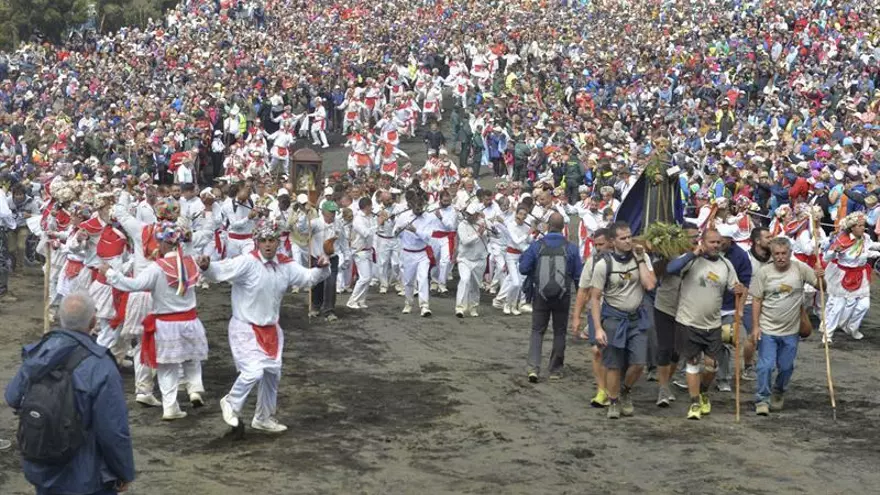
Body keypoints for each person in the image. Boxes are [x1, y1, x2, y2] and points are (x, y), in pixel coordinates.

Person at [200, 220, 330, 432]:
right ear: (256, 242)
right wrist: (207, 266)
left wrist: (322, 268)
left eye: (272, 240)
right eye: (263, 241)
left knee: (272, 375)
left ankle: (263, 417)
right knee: (253, 371)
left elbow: (307, 278)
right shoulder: (246, 262)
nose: (268, 245)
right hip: (245, 327)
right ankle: (231, 402)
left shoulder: (285, 265)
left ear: (278, 242)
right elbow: (220, 271)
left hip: (271, 329)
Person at [5, 292, 135, 495]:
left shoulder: (39, 352)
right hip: (85, 475)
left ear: (60, 319)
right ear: (93, 322)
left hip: (41, 465)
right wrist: (124, 472)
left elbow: (12, 396)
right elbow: (113, 431)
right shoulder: (101, 367)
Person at [100, 222, 208, 421]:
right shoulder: (191, 262)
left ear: (165, 245)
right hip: (190, 320)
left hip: (166, 325)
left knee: (168, 367)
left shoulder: (157, 268)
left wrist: (109, 274)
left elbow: (134, 285)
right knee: (192, 358)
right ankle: (195, 387)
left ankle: (170, 406)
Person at [666, 229, 745, 420]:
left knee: (712, 366)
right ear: (703, 242)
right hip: (688, 321)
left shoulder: (726, 265)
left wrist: (739, 291)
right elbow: (671, 269)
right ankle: (694, 403)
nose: (716, 245)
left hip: (713, 324)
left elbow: (736, 288)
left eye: (719, 242)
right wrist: (692, 254)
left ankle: (702, 392)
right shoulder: (691, 259)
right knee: (692, 362)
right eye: (712, 242)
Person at [589, 222, 656, 419]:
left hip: (637, 318)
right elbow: (594, 297)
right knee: (613, 364)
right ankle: (614, 400)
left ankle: (626, 391)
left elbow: (650, 284)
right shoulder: (604, 264)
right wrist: (598, 328)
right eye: (623, 238)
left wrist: (641, 259)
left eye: (629, 237)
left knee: (638, 363)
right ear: (613, 241)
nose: (628, 241)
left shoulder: (640, 259)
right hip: (613, 319)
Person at [750, 237, 824, 416]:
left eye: (784, 253)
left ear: (790, 253)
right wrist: (755, 326)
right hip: (768, 328)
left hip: (791, 330)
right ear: (772, 254)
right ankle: (762, 399)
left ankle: (779, 391)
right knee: (765, 366)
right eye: (777, 254)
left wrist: (821, 276)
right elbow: (757, 300)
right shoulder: (764, 272)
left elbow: (821, 287)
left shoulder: (800, 268)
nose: (780, 257)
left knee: (786, 367)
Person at [520, 212, 582, 382]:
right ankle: (555, 369)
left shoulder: (537, 246)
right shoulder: (571, 248)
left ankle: (533, 367)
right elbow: (578, 276)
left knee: (537, 331)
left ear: (547, 226)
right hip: (563, 295)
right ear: (563, 227)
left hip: (541, 294)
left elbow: (523, 268)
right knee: (560, 331)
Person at [651, 226, 700, 407]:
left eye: (697, 237)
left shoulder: (701, 256)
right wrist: (691, 254)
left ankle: (666, 382)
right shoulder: (668, 254)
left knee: (676, 351)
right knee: (664, 348)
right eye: (691, 237)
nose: (695, 240)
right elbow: (672, 268)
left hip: (686, 310)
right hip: (665, 306)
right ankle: (663, 388)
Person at [822, 212, 880, 343]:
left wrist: (876, 251)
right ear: (852, 227)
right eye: (859, 226)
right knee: (838, 307)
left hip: (860, 274)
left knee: (864, 305)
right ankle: (827, 333)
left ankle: (851, 327)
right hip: (843, 275)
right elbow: (827, 257)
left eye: (863, 225)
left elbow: (869, 247)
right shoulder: (842, 240)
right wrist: (834, 251)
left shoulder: (865, 237)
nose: (862, 228)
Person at [571, 228, 612, 407]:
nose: (597, 248)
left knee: (614, 353)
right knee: (597, 351)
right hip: (596, 310)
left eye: (601, 244)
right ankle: (602, 390)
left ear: (611, 242)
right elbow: (582, 289)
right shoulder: (592, 261)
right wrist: (576, 317)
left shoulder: (626, 259)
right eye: (595, 245)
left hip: (617, 311)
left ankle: (617, 388)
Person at [298, 200, 350, 321]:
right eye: (330, 212)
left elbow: (343, 241)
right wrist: (304, 215)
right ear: (323, 212)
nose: (332, 215)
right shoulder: (315, 223)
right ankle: (315, 306)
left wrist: (347, 256)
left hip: (332, 257)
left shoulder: (338, 224)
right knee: (316, 282)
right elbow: (302, 229)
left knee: (331, 283)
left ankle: (329, 310)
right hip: (316, 256)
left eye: (334, 212)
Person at [455, 202, 489, 317]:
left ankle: (473, 307)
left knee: (475, 285)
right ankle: (460, 308)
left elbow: (497, 235)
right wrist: (478, 234)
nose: (469, 216)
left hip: (480, 259)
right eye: (468, 214)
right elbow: (465, 241)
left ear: (477, 215)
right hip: (465, 259)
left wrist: (489, 226)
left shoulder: (483, 223)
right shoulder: (462, 225)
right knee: (464, 280)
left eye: (472, 214)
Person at [347, 197, 376, 309]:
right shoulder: (358, 219)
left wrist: (380, 223)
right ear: (366, 207)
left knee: (368, 278)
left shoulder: (369, 217)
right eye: (370, 206)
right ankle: (352, 300)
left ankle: (361, 300)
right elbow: (365, 233)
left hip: (368, 250)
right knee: (365, 277)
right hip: (360, 251)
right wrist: (378, 224)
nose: (372, 208)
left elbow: (374, 231)